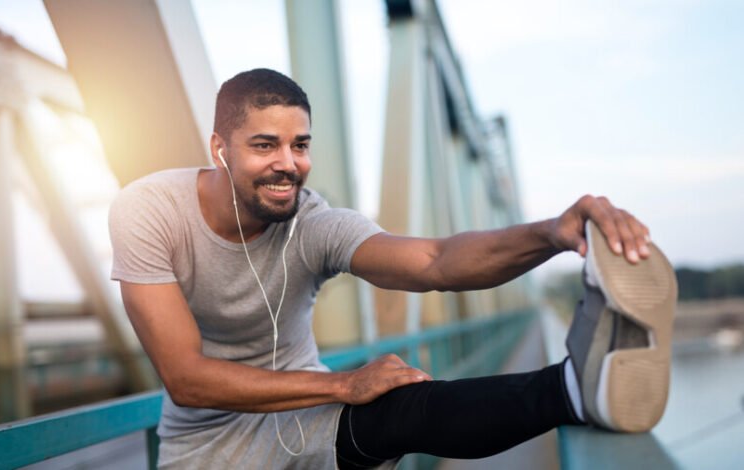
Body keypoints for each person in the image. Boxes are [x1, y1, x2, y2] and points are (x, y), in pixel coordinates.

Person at [109, 68, 677, 469]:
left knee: (401, 410)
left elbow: (434, 260)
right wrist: (344, 382)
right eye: (265, 145)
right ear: (220, 147)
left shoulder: (312, 225)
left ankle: (577, 391)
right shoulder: (150, 212)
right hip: (206, 450)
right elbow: (185, 379)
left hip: (307, 420)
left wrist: (551, 233)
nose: (288, 165)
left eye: (300, 145)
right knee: (369, 393)